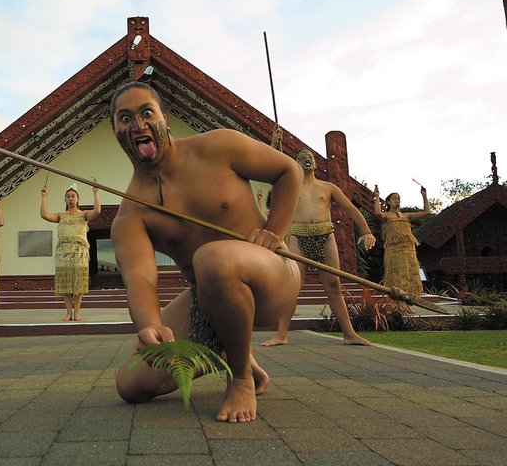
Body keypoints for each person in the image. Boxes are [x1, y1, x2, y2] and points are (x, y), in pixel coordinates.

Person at [110, 82, 303, 423]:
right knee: (132, 383)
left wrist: (274, 232)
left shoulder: (219, 146)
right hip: (209, 295)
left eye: (146, 113)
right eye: (125, 118)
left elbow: (289, 170)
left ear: (164, 120)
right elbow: (139, 277)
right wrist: (150, 326)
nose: (137, 124)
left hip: (273, 274)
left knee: (211, 258)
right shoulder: (130, 215)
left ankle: (240, 375)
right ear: (116, 133)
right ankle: (232, 346)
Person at [261, 149, 375, 347]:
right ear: (296, 163)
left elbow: (350, 208)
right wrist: (273, 144)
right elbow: (275, 168)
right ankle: (281, 335)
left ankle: (349, 334)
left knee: (333, 285)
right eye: (302, 158)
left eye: (310, 158)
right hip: (298, 236)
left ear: (315, 164)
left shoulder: (328, 188)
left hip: (325, 235)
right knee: (293, 287)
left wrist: (367, 231)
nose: (307, 160)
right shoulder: (290, 187)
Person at [41, 184, 101, 321]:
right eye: (68, 197)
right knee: (65, 283)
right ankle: (68, 312)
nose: (71, 199)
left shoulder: (83, 215)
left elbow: (97, 211)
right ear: (65, 200)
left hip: (79, 252)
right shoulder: (60, 216)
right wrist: (44, 197)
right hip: (64, 252)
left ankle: (77, 312)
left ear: (78, 199)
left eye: (73, 196)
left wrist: (95, 192)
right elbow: (44, 215)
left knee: (78, 283)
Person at [373, 184, 430, 297]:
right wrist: (376, 197)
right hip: (394, 250)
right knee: (396, 274)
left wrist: (424, 196)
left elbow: (426, 212)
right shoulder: (387, 216)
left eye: (398, 199)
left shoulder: (406, 216)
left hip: (409, 249)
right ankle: (398, 301)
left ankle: (412, 298)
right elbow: (378, 213)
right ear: (388, 202)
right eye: (394, 199)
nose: (397, 201)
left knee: (411, 273)